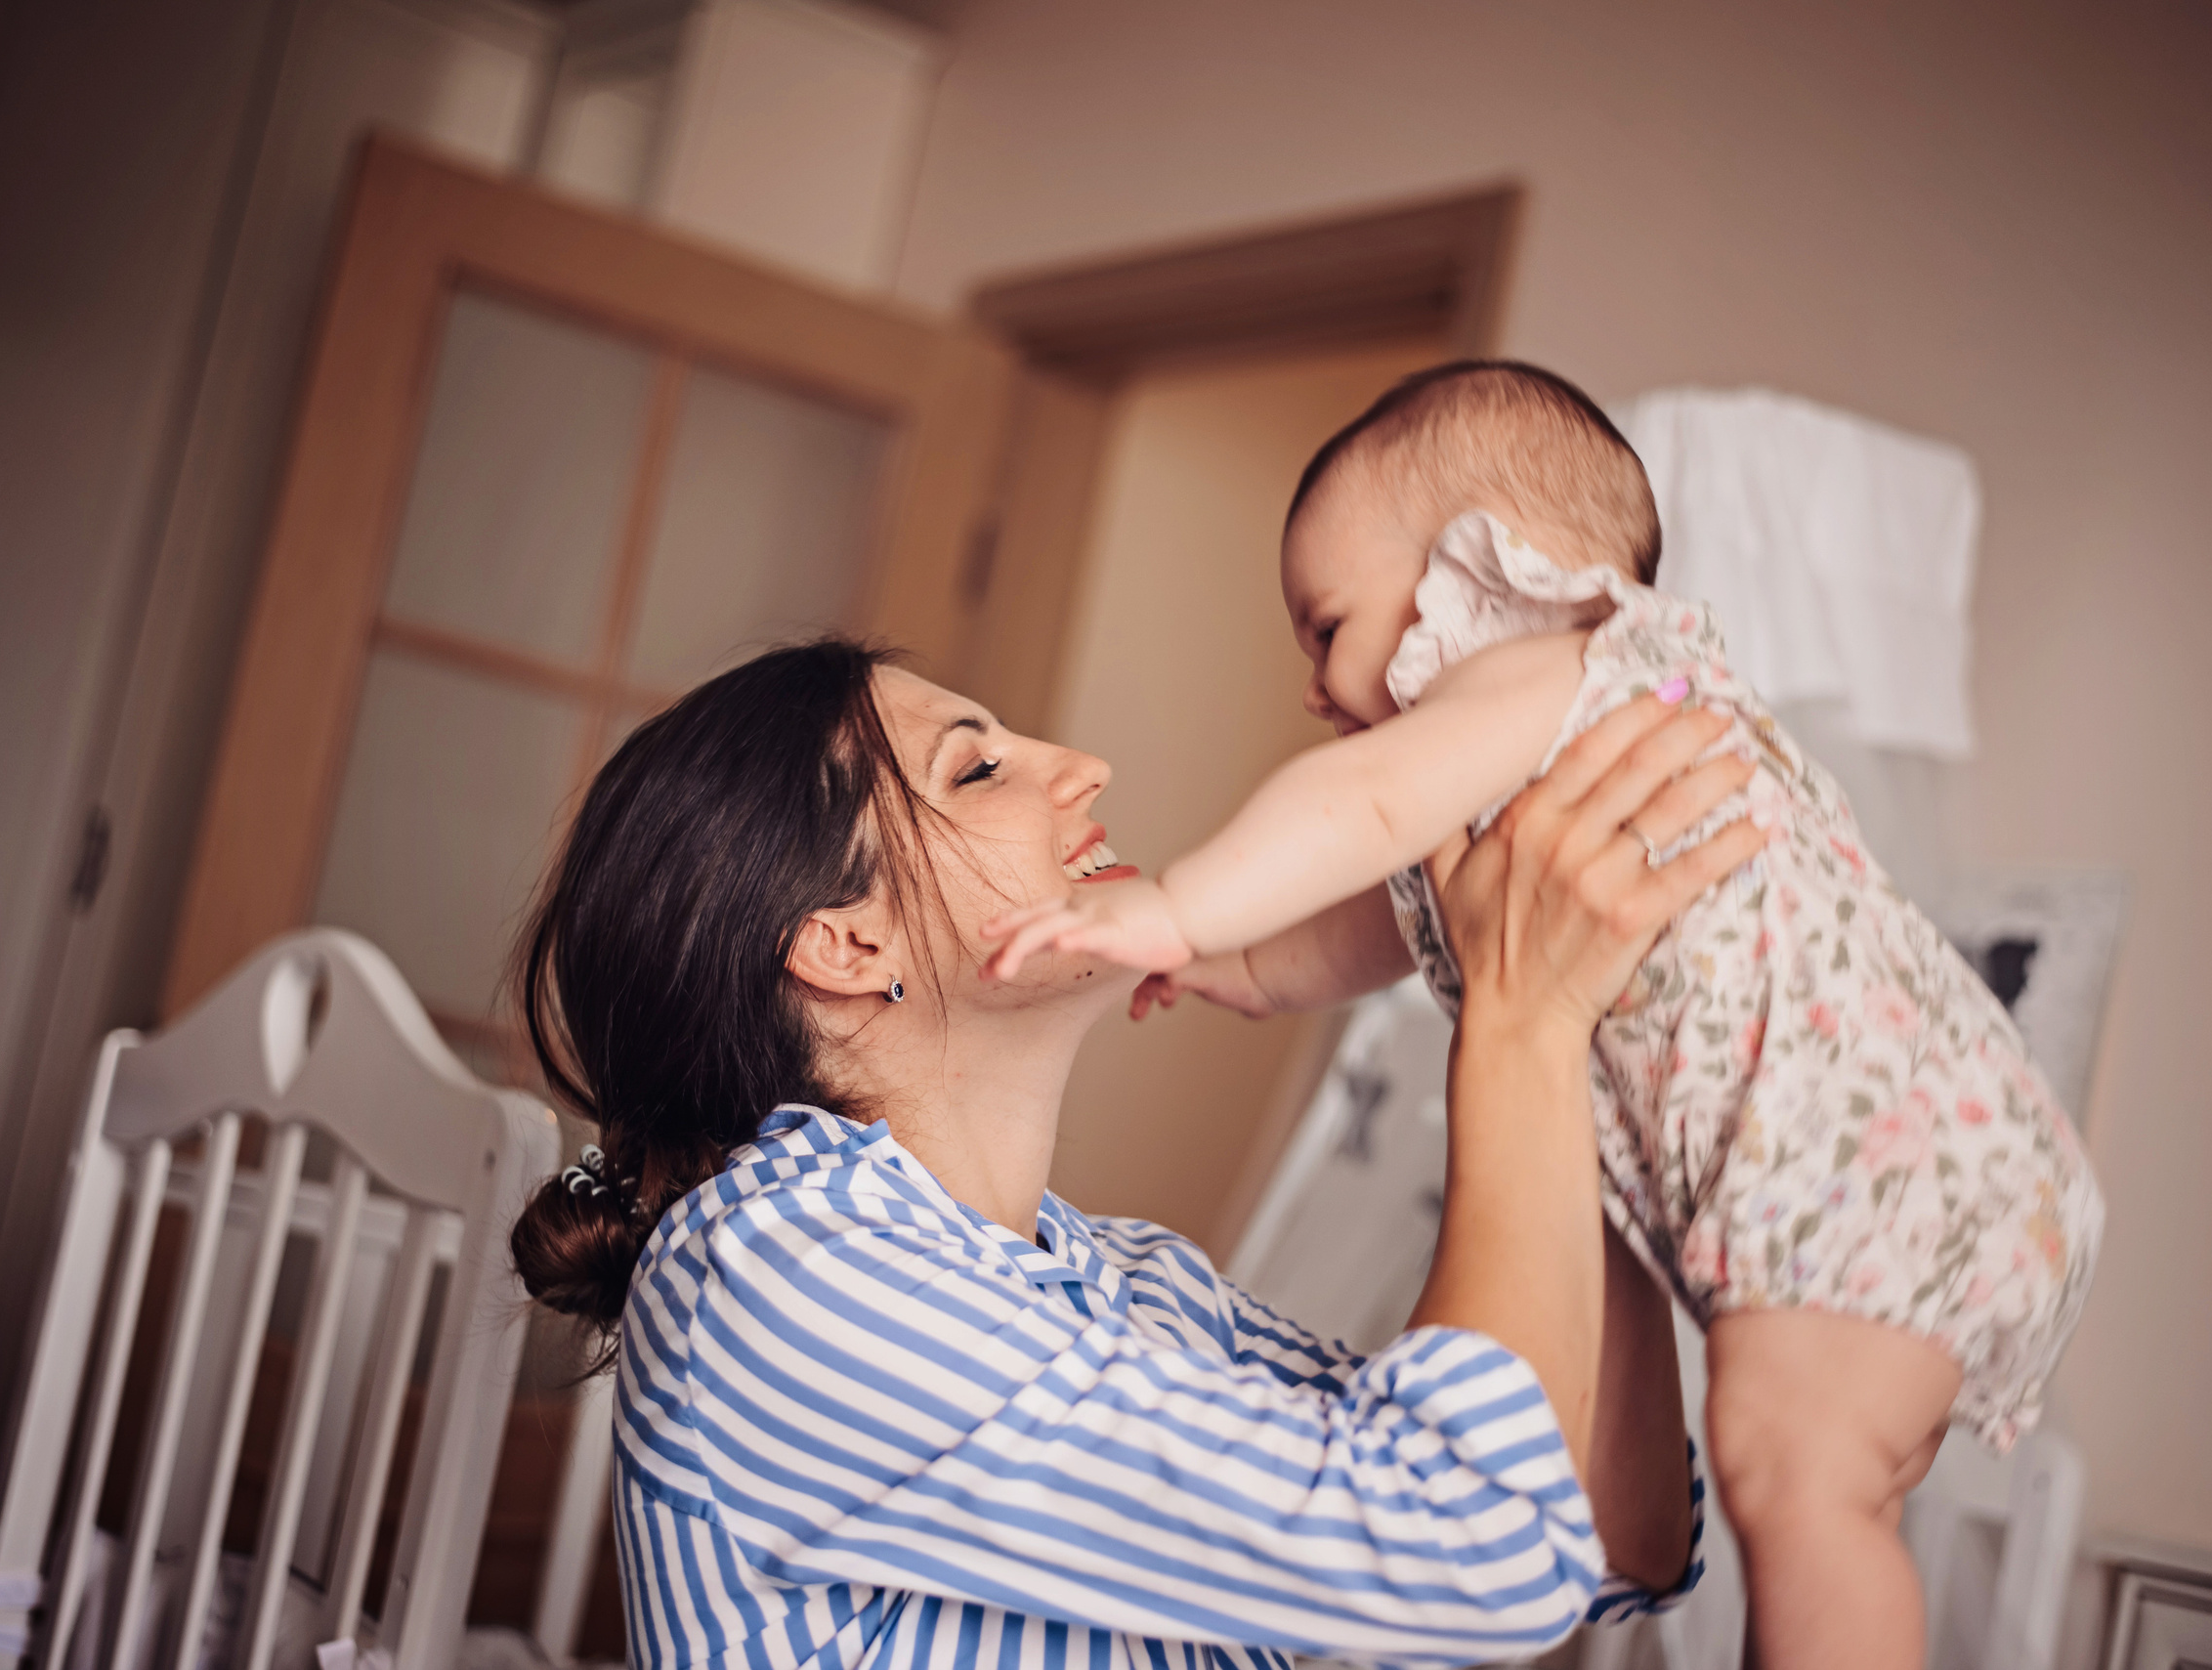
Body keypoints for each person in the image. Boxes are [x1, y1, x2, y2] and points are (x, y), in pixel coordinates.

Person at [981, 363, 2106, 1670]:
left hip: (1883, 1175)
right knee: (1818, 1496)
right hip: (1933, 1186)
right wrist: (1248, 965)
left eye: (1324, 625)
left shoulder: (1563, 672)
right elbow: (1380, 913)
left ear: (1476, 574)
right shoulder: (1526, 762)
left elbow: (1360, 808)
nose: (1312, 685)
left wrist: (1177, 905)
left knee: (1791, 1474)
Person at [508, 636, 1764, 1670]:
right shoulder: (768, 1269)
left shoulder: (1141, 1287)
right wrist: (1516, 1022)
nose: (1081, 768)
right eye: (978, 766)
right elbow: (1461, 1550)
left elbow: (1613, 1529)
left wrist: (1583, 1045)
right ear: (845, 946)